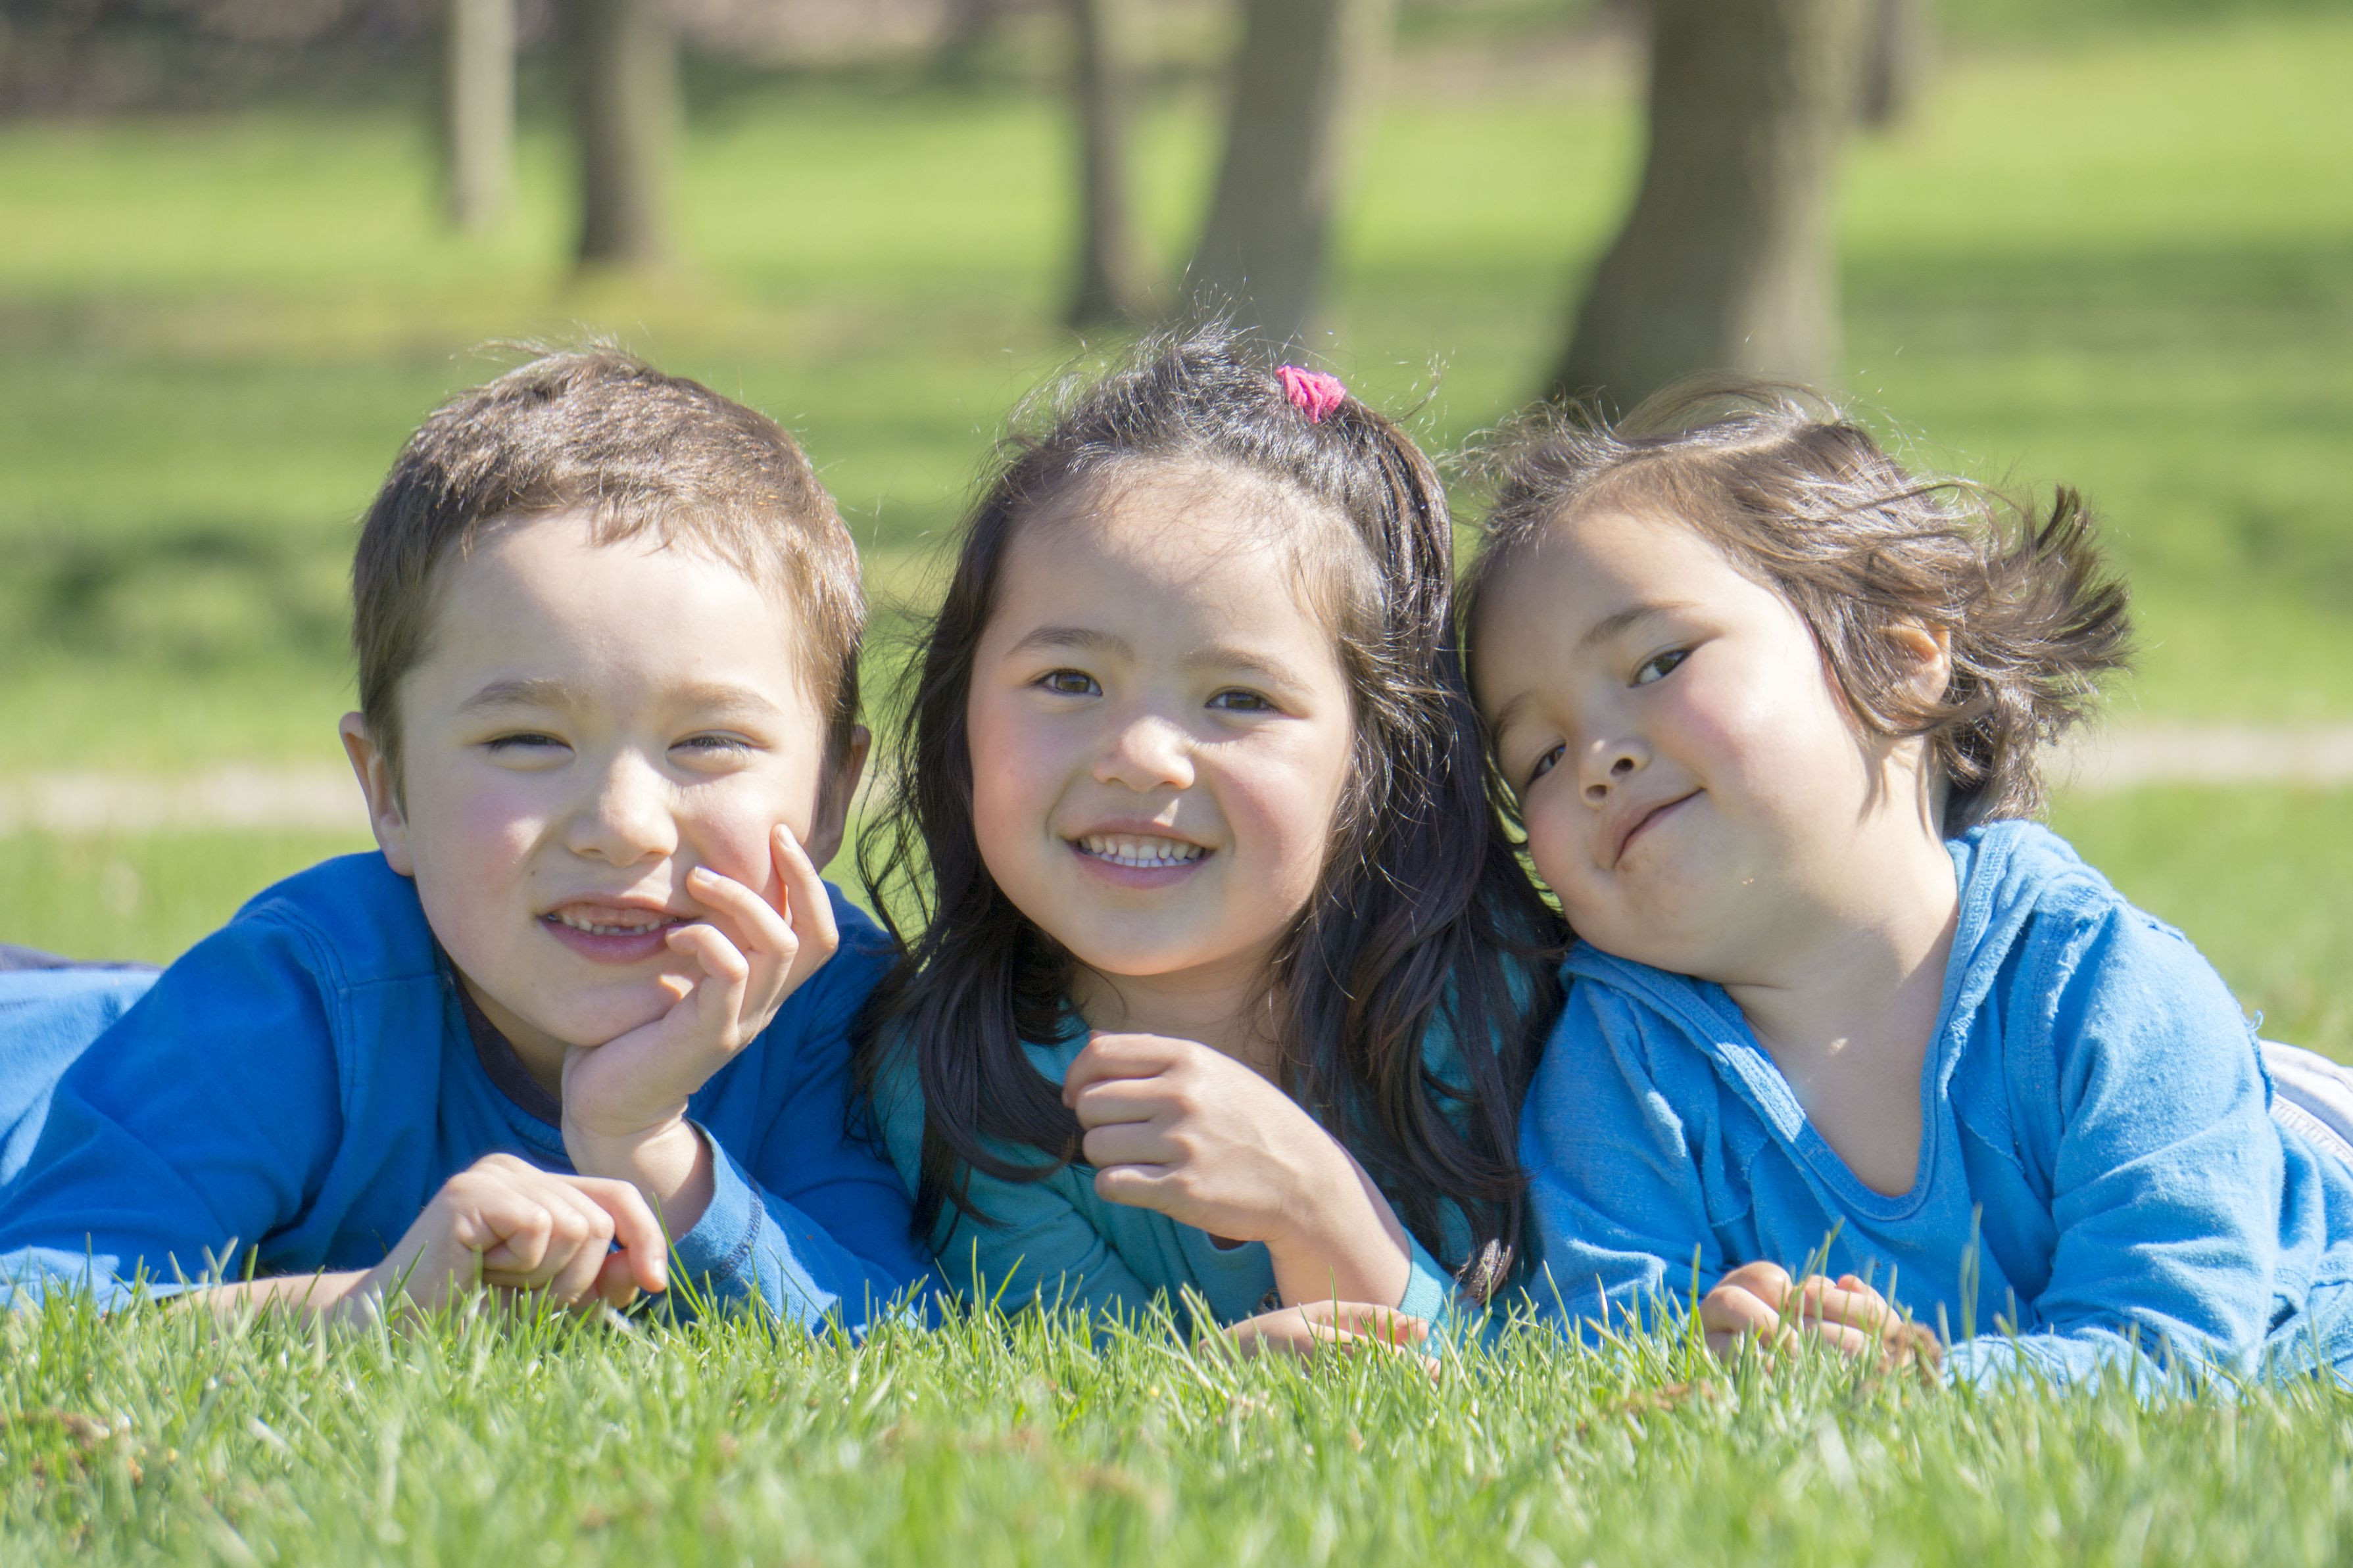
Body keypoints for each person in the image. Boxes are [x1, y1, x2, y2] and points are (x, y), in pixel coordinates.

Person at [0, 350, 933, 1330]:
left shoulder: (838, 1014)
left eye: (709, 742)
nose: (622, 825)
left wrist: (642, 1138)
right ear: (388, 789)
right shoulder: (300, 1001)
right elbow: (37, 1310)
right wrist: (370, 1302)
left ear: (832, 792)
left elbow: (897, 1329)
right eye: (526, 740)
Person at [1467, 380, 2353, 1385]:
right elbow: (1598, 1340)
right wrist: (1710, 1358)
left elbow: (2172, 1344)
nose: (1596, 758)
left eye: (1657, 661)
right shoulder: (1620, 1059)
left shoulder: (2103, 989)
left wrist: (1925, 1388)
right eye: (1539, 756)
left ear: (1896, 656)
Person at [856, 330, 1565, 1353]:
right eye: (1068, 681)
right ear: (959, 709)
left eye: (1238, 697)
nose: (1141, 757)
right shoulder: (953, 1079)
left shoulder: (1492, 1011)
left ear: (1374, 755)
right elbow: (1096, 1384)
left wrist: (1317, 1207)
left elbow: (1545, 1373)